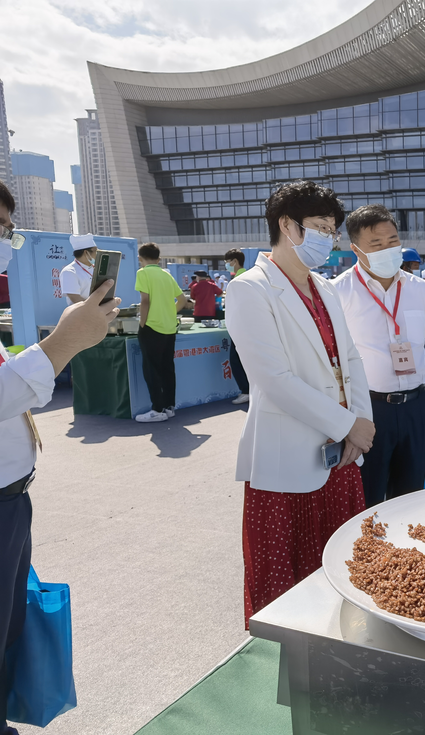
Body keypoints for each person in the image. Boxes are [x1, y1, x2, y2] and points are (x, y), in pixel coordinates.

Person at [225, 180, 376, 626]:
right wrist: (348, 423)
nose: (328, 240)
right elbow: (273, 380)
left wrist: (361, 420)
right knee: (284, 585)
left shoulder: (325, 289)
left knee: (341, 569)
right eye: (319, 228)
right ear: (286, 225)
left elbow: (349, 358)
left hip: (342, 454)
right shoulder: (249, 289)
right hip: (287, 460)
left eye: (332, 231)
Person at [0, 178, 121, 735]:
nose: (4, 242)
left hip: (12, 500)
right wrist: (62, 345)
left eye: (6, 231)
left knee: (8, 632)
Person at [333, 204, 425, 506]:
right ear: (356, 249)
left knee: (410, 496)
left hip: (416, 406)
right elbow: (330, 360)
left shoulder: (419, 290)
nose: (388, 249)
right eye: (376, 244)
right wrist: (343, 419)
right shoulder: (339, 292)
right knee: (367, 499)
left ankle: (404, 552)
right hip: (368, 411)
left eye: (393, 241)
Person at [134, 243, 190, 423]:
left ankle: (157, 409)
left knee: (151, 369)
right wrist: (169, 313)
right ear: (159, 259)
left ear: (140, 259)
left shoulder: (142, 273)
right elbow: (182, 300)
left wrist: (142, 323)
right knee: (167, 368)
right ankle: (169, 407)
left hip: (152, 327)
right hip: (169, 327)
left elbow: (145, 301)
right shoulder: (166, 274)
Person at [222, 250, 251, 404]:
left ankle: (246, 390)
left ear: (234, 261)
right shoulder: (249, 276)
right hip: (249, 325)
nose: (226, 265)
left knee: (235, 359)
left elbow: (235, 306)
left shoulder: (238, 280)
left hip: (240, 327)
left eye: (227, 262)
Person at [59, 233, 98, 304]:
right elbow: (75, 298)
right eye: (95, 251)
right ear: (86, 252)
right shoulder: (69, 272)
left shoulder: (95, 268)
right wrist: (96, 308)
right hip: (81, 313)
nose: (98, 253)